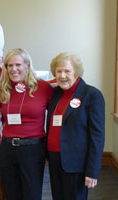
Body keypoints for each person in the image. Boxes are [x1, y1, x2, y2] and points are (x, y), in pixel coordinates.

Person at [47, 52, 105, 200]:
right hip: (54, 160)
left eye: (67, 71)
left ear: (76, 72)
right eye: (59, 71)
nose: (62, 75)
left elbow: (97, 137)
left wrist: (92, 171)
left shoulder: (92, 95)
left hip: (76, 164)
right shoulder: (55, 94)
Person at [0, 48, 53, 200]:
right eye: (9, 65)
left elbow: (58, 114)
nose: (13, 69)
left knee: (32, 194)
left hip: (32, 149)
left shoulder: (43, 88)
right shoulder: (4, 89)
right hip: (7, 149)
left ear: (27, 66)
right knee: (11, 193)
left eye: (18, 65)